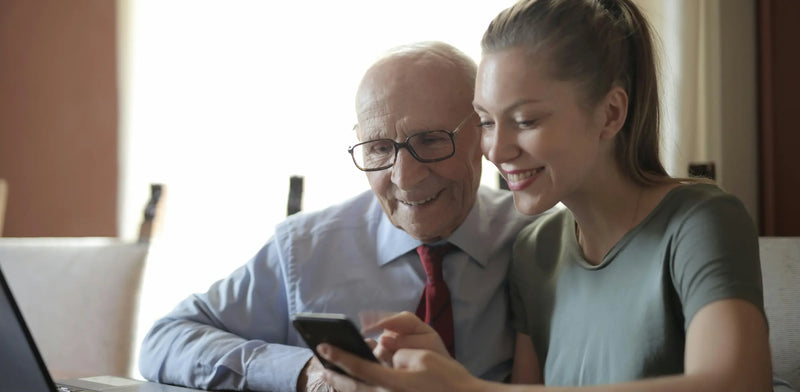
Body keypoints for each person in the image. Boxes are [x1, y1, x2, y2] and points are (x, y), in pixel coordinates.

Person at [317, 0, 776, 391]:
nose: (496, 149)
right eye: (488, 121)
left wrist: (469, 388)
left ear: (611, 113)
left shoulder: (700, 221)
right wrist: (443, 373)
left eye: (527, 120)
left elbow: (735, 383)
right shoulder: (536, 249)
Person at [137, 41, 534, 392]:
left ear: (483, 134)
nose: (404, 178)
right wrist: (307, 373)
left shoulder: (538, 242)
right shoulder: (305, 249)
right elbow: (165, 340)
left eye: (430, 141)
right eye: (379, 148)